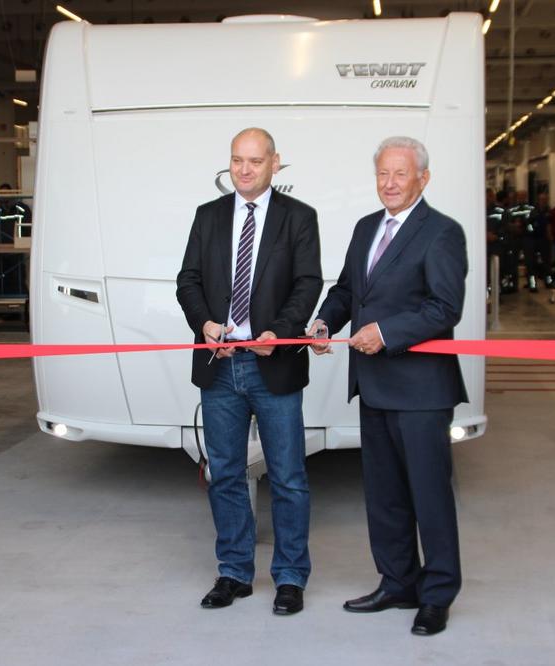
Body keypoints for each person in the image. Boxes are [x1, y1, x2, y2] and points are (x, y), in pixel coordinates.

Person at [308, 136, 468, 636]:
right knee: (385, 497)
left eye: (400, 173)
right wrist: (324, 322)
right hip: (374, 385)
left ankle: (436, 596)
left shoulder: (442, 232)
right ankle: (397, 582)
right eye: (383, 173)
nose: (390, 183)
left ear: (423, 178)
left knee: (429, 497)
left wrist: (387, 332)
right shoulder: (365, 228)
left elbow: (445, 308)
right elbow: (347, 291)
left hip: (421, 391)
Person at [176, 127, 322, 616]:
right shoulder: (208, 216)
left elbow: (307, 283)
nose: (244, 169)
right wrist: (204, 323)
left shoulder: (299, 217)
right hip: (220, 368)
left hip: (273, 365)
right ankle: (235, 572)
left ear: (275, 164)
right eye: (237, 159)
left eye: (255, 161)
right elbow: (188, 280)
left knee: (288, 477)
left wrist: (280, 332)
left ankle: (290, 577)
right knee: (225, 475)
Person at [524, 191, 551, 292]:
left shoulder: (549, 211)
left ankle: (548, 281)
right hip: (532, 239)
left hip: (544, 240)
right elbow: (528, 224)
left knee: (546, 262)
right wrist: (532, 230)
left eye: (545, 199)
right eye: (541, 199)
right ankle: (532, 284)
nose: (543, 201)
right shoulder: (533, 211)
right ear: (538, 200)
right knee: (531, 264)